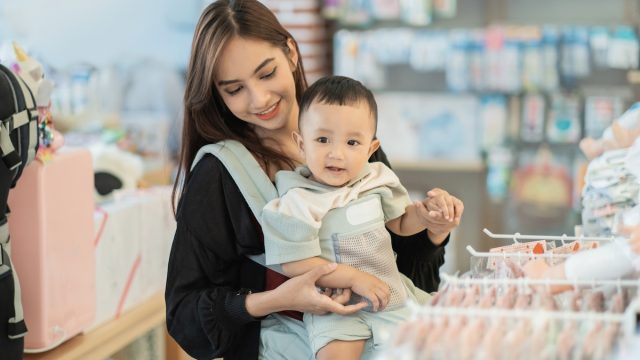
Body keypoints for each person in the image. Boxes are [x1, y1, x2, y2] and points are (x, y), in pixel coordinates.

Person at [164, 1, 463, 359]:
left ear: (290, 52)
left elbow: (407, 272)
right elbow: (184, 314)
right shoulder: (219, 174)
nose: (259, 98)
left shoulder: (345, 132)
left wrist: (433, 227)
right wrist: (278, 298)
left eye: (266, 73)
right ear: (216, 93)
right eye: (234, 89)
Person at [261, 75, 463, 359]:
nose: (336, 153)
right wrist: (352, 278)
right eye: (322, 139)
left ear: (370, 149)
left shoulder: (376, 180)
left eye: (352, 142)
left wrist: (427, 216)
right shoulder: (297, 200)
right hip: (337, 308)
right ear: (301, 144)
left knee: (422, 348)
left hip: (389, 297)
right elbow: (295, 262)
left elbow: (401, 224)